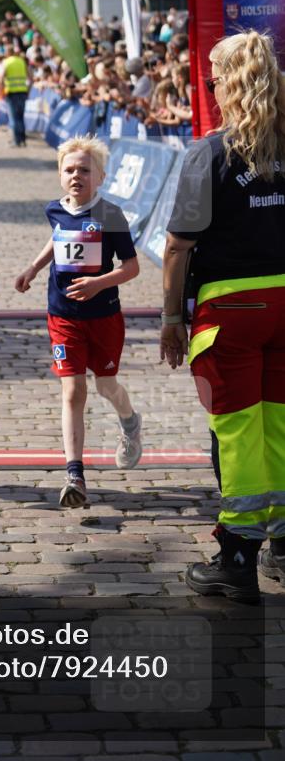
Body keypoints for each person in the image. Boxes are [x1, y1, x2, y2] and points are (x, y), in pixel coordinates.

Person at [161, 30, 285, 601]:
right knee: (280, 427)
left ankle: (236, 558)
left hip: (231, 310)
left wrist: (170, 320)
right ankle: (282, 545)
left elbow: (178, 247)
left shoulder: (209, 153)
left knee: (236, 433)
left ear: (224, 85)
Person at [15, 135, 142, 508]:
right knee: (73, 391)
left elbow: (131, 268)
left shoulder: (111, 215)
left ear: (100, 176)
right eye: (69, 169)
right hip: (63, 316)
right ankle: (75, 474)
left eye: (84, 170)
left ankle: (130, 420)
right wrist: (33, 268)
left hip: (103, 316)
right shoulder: (55, 209)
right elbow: (57, 239)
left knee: (106, 387)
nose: (76, 175)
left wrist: (98, 283)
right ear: (59, 175)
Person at [0, 43, 30, 147]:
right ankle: (23, 139)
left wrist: (1, 91)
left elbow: (1, 78)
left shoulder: (6, 62)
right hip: (22, 92)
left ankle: (17, 141)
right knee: (21, 117)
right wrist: (28, 90)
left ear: (7, 53)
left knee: (14, 118)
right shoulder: (21, 61)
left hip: (11, 93)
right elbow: (31, 78)